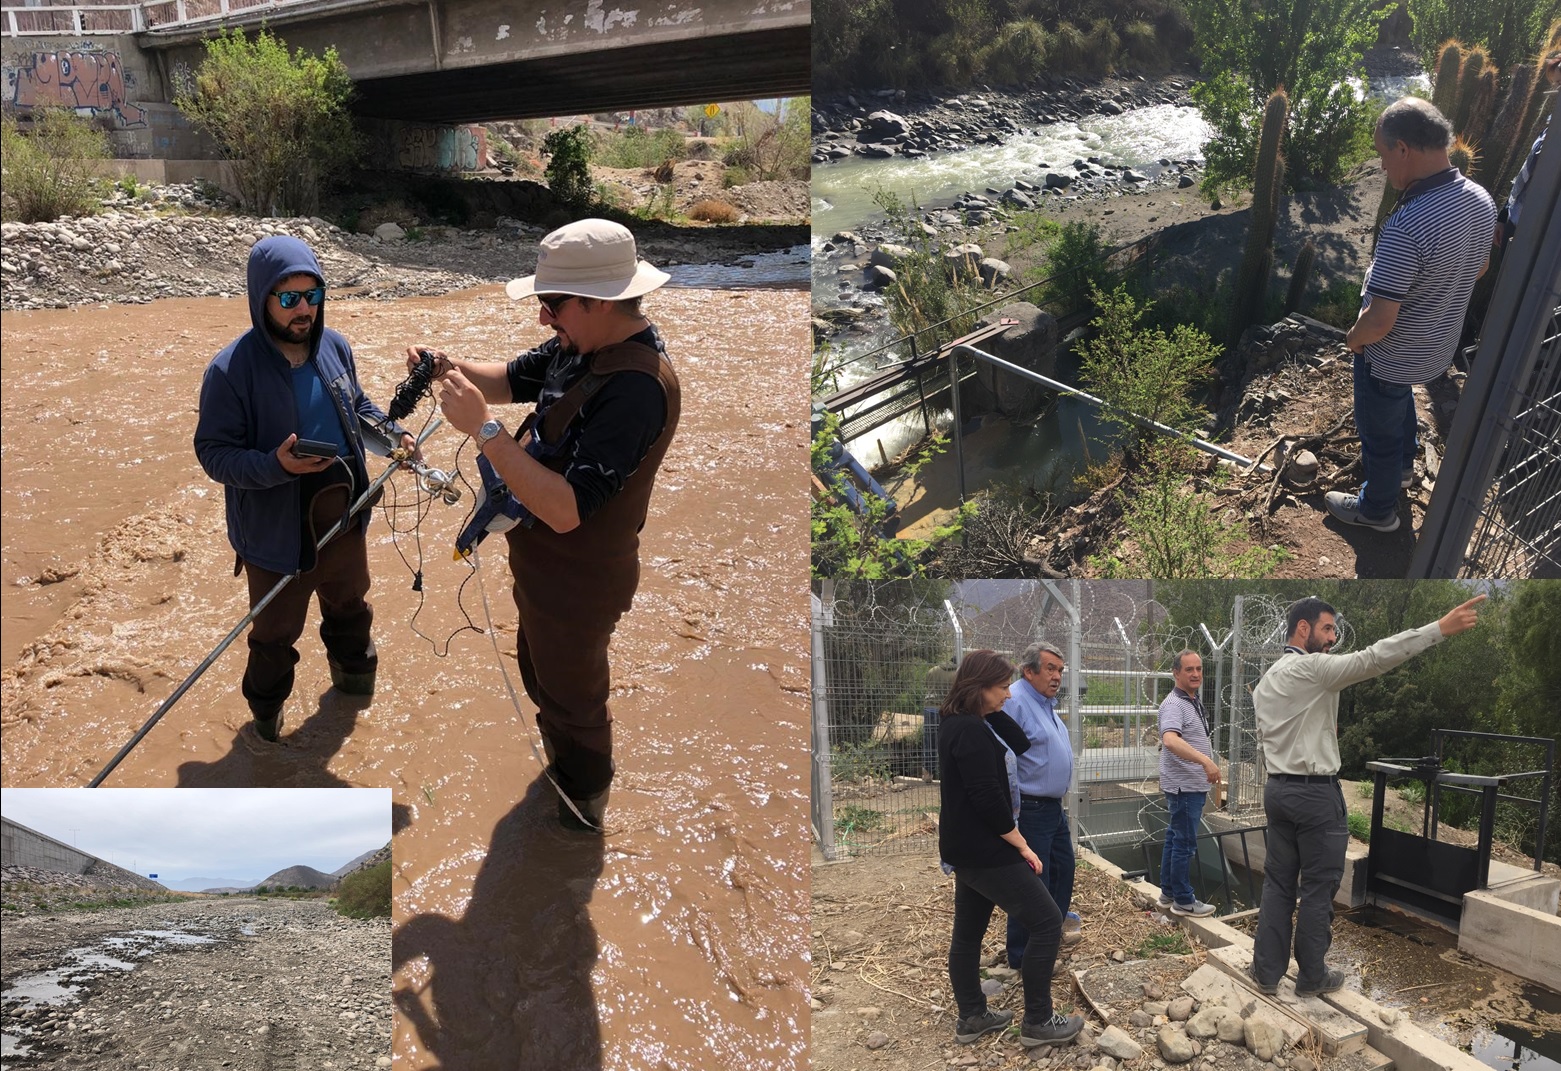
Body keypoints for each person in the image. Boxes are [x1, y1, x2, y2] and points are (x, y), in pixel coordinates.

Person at [413, 219, 681, 833]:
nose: (543, 319)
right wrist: (444, 369)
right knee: (545, 677)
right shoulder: (579, 346)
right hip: (545, 573)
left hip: (581, 580)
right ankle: (562, 772)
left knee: (575, 702)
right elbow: (507, 380)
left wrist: (483, 431)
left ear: (600, 302)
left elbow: (564, 508)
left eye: (552, 305)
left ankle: (582, 814)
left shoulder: (637, 390)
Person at [194, 235, 415, 742]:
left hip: (344, 518)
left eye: (311, 297)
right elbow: (213, 454)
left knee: (352, 609)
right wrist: (276, 464)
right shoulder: (230, 371)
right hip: (276, 539)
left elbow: (358, 409)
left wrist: (393, 436)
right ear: (260, 299)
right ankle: (265, 729)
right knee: (274, 638)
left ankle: (354, 697)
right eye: (288, 298)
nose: (303, 311)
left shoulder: (335, 347)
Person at [1249, 593, 1486, 997]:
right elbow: (1374, 658)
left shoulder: (1268, 679)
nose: (1333, 637)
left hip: (1278, 789)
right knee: (1319, 889)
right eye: (1326, 628)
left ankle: (1266, 973)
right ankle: (1311, 978)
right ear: (1302, 629)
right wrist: (1437, 630)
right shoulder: (1313, 669)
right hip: (1313, 797)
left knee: (1278, 884)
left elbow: (1290, 730)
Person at [1329, 97, 1495, 533]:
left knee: (1378, 432)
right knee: (1398, 400)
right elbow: (1478, 269)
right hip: (1436, 347)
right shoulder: (1479, 199)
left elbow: (1380, 321)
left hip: (1392, 353)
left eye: (1383, 155)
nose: (1382, 167)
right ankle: (1403, 467)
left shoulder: (1409, 224)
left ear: (1403, 149)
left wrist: (1355, 339)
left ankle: (1377, 509)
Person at [938, 649, 1085, 1050]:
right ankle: (1038, 1020)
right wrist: (1022, 845)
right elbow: (987, 798)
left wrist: (990, 707)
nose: (1008, 695)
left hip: (965, 848)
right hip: (986, 850)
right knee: (1045, 921)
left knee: (968, 934)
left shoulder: (964, 721)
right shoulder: (968, 730)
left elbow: (1018, 741)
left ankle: (973, 1016)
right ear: (978, 687)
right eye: (1002, 688)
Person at [1001, 642, 1080, 968]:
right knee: (1033, 884)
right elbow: (1004, 758)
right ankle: (1023, 956)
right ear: (1029, 670)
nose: (1057, 676)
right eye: (1050, 669)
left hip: (1051, 808)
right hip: (1030, 809)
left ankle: (1047, 940)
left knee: (1063, 871)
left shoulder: (1044, 703)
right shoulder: (1016, 702)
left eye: (1060, 670)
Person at [1156, 650, 1220, 918]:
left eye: (1199, 669)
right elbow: (1170, 740)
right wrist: (1205, 761)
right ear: (1176, 673)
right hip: (1184, 787)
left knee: (1175, 838)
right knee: (1185, 843)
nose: (1195, 674)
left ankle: (1168, 891)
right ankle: (1184, 900)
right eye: (1189, 670)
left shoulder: (1191, 700)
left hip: (1189, 785)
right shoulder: (1174, 704)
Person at [1497, 50, 1561, 247]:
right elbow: (1528, 174)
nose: (1557, 91)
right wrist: (1505, 214)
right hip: (1518, 223)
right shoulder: (1552, 128)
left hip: (1540, 242)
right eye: (1557, 84)